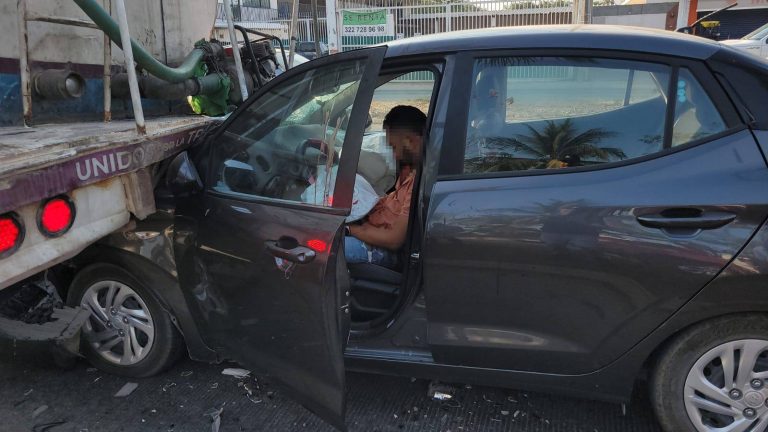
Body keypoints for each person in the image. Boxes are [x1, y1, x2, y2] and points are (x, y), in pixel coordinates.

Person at [344, 105, 427, 268]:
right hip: (370, 230)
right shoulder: (409, 169)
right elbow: (392, 202)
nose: (394, 155)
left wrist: (351, 230)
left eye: (394, 147)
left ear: (409, 141)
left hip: (384, 249)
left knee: (321, 247)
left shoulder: (418, 183)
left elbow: (394, 240)